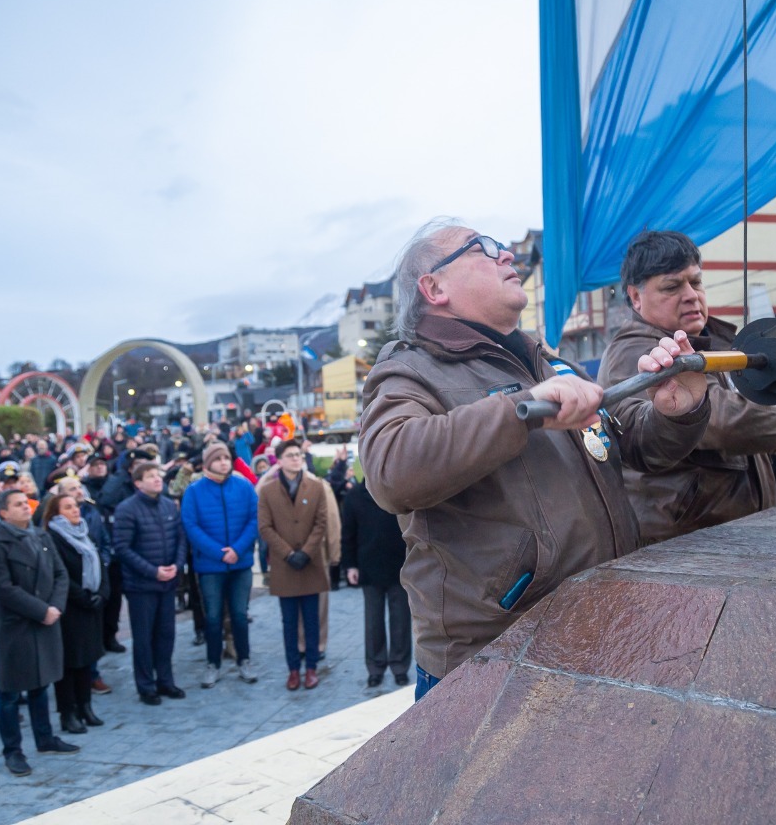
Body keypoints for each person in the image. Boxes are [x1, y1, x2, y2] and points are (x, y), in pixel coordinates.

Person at [360, 220, 710, 700]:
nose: (507, 256)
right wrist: (522, 409)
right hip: (494, 661)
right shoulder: (410, 370)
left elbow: (635, 448)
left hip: (600, 626)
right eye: (482, 249)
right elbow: (390, 471)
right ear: (434, 288)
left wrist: (677, 411)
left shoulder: (547, 361)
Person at [597, 229, 776, 543]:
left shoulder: (714, 344)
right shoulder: (637, 350)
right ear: (635, 297)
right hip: (681, 548)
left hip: (727, 536)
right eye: (671, 286)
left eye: (696, 282)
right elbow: (721, 419)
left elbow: (761, 408)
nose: (691, 295)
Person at [0, 489, 79, 776]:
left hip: (47, 619)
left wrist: (55, 607)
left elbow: (60, 574)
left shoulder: (41, 536)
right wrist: (41, 610)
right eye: (18, 504)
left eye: (27, 503)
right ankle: (13, 751)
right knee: (10, 692)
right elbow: (3, 589)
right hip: (18, 625)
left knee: (41, 683)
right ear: (3, 512)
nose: (26, 507)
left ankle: (45, 738)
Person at [181, 442, 259, 689]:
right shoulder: (194, 491)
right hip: (210, 566)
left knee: (239, 615)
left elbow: (255, 519)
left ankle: (244, 660)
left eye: (226, 457)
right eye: (218, 458)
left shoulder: (244, 486)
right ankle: (212, 663)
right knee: (213, 617)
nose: (224, 462)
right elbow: (191, 526)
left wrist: (237, 549)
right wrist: (218, 552)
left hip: (240, 563)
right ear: (208, 463)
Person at [112, 461, 187, 704]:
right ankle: (146, 686)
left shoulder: (168, 505)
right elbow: (122, 548)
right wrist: (152, 571)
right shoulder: (127, 509)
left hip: (167, 582)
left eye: (158, 475)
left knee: (166, 635)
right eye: (150, 476)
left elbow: (180, 538)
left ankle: (165, 680)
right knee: (143, 638)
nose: (157, 479)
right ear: (138, 483)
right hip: (141, 585)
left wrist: (177, 565)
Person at [257, 438, 329, 691]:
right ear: (279, 461)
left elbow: (321, 523)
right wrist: (288, 554)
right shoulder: (268, 491)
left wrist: (306, 552)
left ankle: (311, 668)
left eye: (298, 454)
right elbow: (265, 527)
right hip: (284, 565)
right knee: (289, 622)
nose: (296, 458)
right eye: (290, 455)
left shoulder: (316, 487)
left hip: (310, 564)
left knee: (311, 620)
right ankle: (293, 670)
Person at [43, 494, 107, 732]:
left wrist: (102, 593)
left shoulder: (84, 532)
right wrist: (82, 596)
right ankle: (68, 712)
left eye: (76, 506)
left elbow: (99, 562)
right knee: (69, 662)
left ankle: (85, 706)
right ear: (56, 513)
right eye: (68, 507)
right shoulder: (52, 537)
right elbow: (59, 574)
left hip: (91, 606)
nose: (75, 510)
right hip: (70, 607)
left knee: (87, 659)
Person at [341, 478, 411, 688]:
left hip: (399, 566)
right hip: (369, 567)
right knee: (373, 622)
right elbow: (348, 534)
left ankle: (400, 666)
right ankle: (375, 667)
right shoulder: (354, 496)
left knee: (401, 620)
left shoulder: (399, 489)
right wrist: (350, 565)